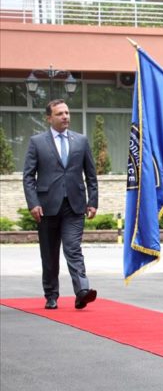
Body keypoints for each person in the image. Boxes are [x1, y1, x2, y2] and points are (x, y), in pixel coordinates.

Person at [23, 99, 98, 310]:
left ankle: (82, 290)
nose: (65, 116)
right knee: (49, 253)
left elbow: (91, 175)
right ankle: (51, 294)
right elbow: (28, 176)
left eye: (67, 112)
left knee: (73, 248)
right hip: (46, 207)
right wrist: (33, 203)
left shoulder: (81, 141)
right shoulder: (37, 142)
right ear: (49, 118)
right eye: (59, 114)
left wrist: (92, 201)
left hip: (74, 206)